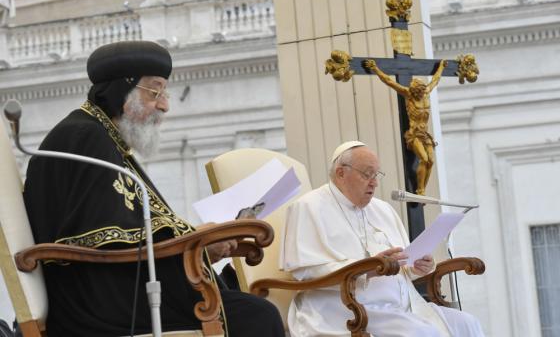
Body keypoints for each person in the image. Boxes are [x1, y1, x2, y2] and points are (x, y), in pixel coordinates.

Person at [23, 40, 284, 337]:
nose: (165, 104)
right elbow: (106, 239)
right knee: (256, 315)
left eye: (165, 92)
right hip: (97, 303)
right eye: (155, 91)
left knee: (247, 302)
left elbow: (129, 231)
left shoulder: (101, 135)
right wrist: (196, 245)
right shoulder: (84, 137)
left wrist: (199, 248)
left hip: (112, 290)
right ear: (123, 89)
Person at [280, 141, 484, 337]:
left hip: (399, 307)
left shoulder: (382, 209)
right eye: (367, 174)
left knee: (467, 323)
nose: (374, 183)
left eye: (376, 175)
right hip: (341, 307)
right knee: (421, 333)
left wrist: (415, 267)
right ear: (341, 172)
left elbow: (399, 267)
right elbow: (304, 272)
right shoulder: (308, 207)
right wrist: (366, 269)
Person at [364, 59, 447, 195]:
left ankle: (422, 189)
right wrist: (375, 68)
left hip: (425, 134)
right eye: (418, 92)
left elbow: (435, 80)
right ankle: (420, 189)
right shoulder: (409, 94)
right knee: (424, 159)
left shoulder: (426, 93)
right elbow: (389, 81)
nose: (420, 94)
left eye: (421, 92)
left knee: (431, 161)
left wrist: (442, 67)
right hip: (414, 134)